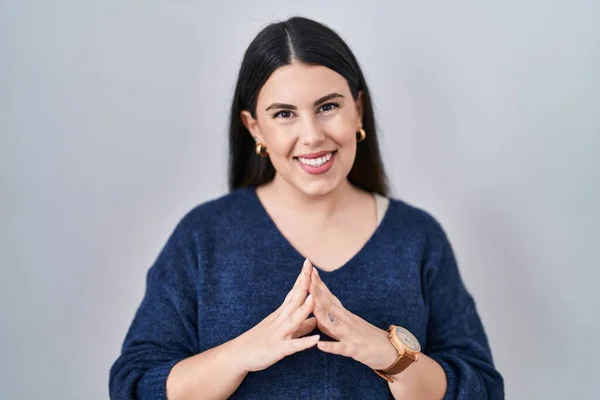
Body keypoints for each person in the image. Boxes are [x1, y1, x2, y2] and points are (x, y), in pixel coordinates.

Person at [109, 16, 504, 400]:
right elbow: (134, 383)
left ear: (358, 111)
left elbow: (482, 387)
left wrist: (388, 354)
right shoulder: (203, 235)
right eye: (284, 114)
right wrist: (242, 353)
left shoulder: (417, 236)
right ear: (254, 129)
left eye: (328, 106)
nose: (312, 136)